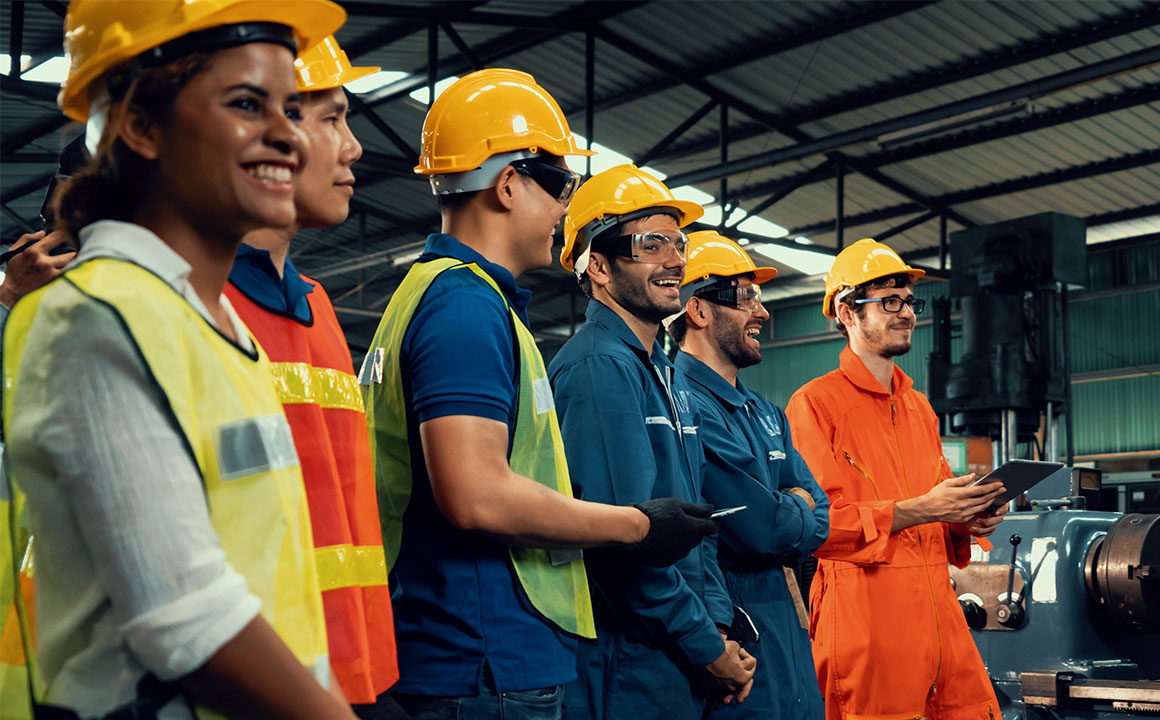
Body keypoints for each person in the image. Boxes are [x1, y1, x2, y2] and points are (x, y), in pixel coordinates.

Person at [1, 0, 357, 717]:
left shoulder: (212, 319)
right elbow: (186, 619)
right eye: (248, 104)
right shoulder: (98, 319)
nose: (289, 137)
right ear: (140, 125)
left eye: (292, 108)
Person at [360, 69, 717, 720]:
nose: (561, 211)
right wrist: (638, 525)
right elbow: (475, 494)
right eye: (558, 188)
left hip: (472, 652)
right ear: (507, 183)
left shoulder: (446, 296)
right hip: (481, 657)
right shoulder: (464, 305)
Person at [226, 36, 403, 718]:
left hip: (353, 673)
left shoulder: (320, 309)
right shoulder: (198, 308)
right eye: (331, 118)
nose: (353, 147)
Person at [549, 165, 757, 720]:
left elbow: (694, 523)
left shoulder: (661, 371)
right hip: (628, 661)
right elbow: (626, 542)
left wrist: (715, 622)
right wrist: (708, 647)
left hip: (675, 652)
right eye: (650, 243)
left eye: (678, 242)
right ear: (596, 265)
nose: (675, 259)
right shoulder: (600, 369)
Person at [784, 238, 1007, 719]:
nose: (905, 312)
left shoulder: (918, 407)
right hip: (868, 626)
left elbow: (940, 510)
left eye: (908, 301)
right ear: (847, 313)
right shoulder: (814, 405)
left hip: (941, 621)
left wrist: (969, 518)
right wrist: (924, 509)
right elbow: (821, 527)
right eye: (888, 301)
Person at [668, 230, 829, 720]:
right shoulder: (685, 404)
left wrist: (794, 510)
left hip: (787, 638)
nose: (761, 311)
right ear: (698, 310)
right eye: (745, 297)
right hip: (738, 639)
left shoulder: (765, 411)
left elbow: (822, 515)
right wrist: (793, 505)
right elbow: (764, 532)